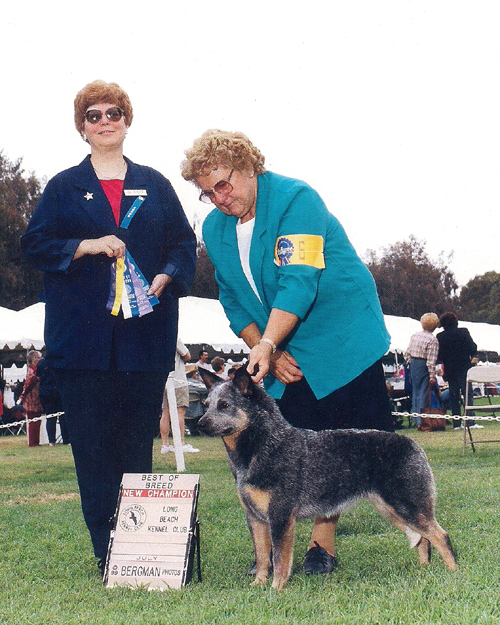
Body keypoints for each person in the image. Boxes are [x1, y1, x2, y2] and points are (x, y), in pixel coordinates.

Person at [181, 129, 393, 576]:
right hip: (280, 343)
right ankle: (281, 545)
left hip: (341, 334)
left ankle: (322, 546)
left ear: (250, 166)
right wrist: (268, 348)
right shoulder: (216, 228)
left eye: (224, 184)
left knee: (341, 441)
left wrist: (268, 342)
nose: (218, 199)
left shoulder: (297, 200)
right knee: (297, 439)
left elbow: (299, 280)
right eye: (206, 193)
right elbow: (232, 298)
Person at [21, 80, 196, 573]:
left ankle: (141, 550)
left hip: (144, 341)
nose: (105, 121)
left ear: (127, 119)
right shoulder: (62, 187)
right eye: (93, 115)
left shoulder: (156, 184)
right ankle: (107, 550)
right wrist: (86, 245)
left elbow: (184, 246)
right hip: (82, 347)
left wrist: (168, 275)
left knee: (137, 446)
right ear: (82, 128)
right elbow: (34, 245)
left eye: (114, 112)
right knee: (94, 453)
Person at [437, 312, 481, 429]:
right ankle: (470, 421)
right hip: (464, 368)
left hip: (450, 370)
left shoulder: (440, 337)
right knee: (467, 395)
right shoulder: (463, 332)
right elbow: (473, 348)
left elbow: (440, 356)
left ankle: (457, 423)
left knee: (454, 396)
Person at [160, 338, 199, 454]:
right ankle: (180, 444)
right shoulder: (174, 336)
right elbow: (187, 356)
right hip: (177, 380)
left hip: (163, 380)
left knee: (165, 413)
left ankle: (165, 444)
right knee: (180, 412)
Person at [405, 313, 440, 425]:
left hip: (414, 364)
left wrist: (410, 364)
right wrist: (432, 375)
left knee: (415, 391)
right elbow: (431, 360)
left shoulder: (415, 336)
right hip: (423, 364)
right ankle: (422, 420)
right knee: (424, 392)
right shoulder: (432, 340)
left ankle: (416, 418)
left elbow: (407, 353)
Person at [36, 357, 70, 445]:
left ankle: (51, 441)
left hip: (46, 392)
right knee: (62, 416)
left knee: (50, 417)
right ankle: (66, 440)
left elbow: (38, 377)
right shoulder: (59, 361)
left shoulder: (41, 363)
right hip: (58, 391)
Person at [19, 350, 43, 446]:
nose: (39, 360)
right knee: (32, 420)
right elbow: (28, 385)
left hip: (36, 398)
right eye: (37, 358)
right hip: (31, 398)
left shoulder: (36, 370)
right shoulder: (31, 370)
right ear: (33, 359)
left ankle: (36, 441)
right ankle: (33, 442)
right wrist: (23, 395)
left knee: (37, 419)